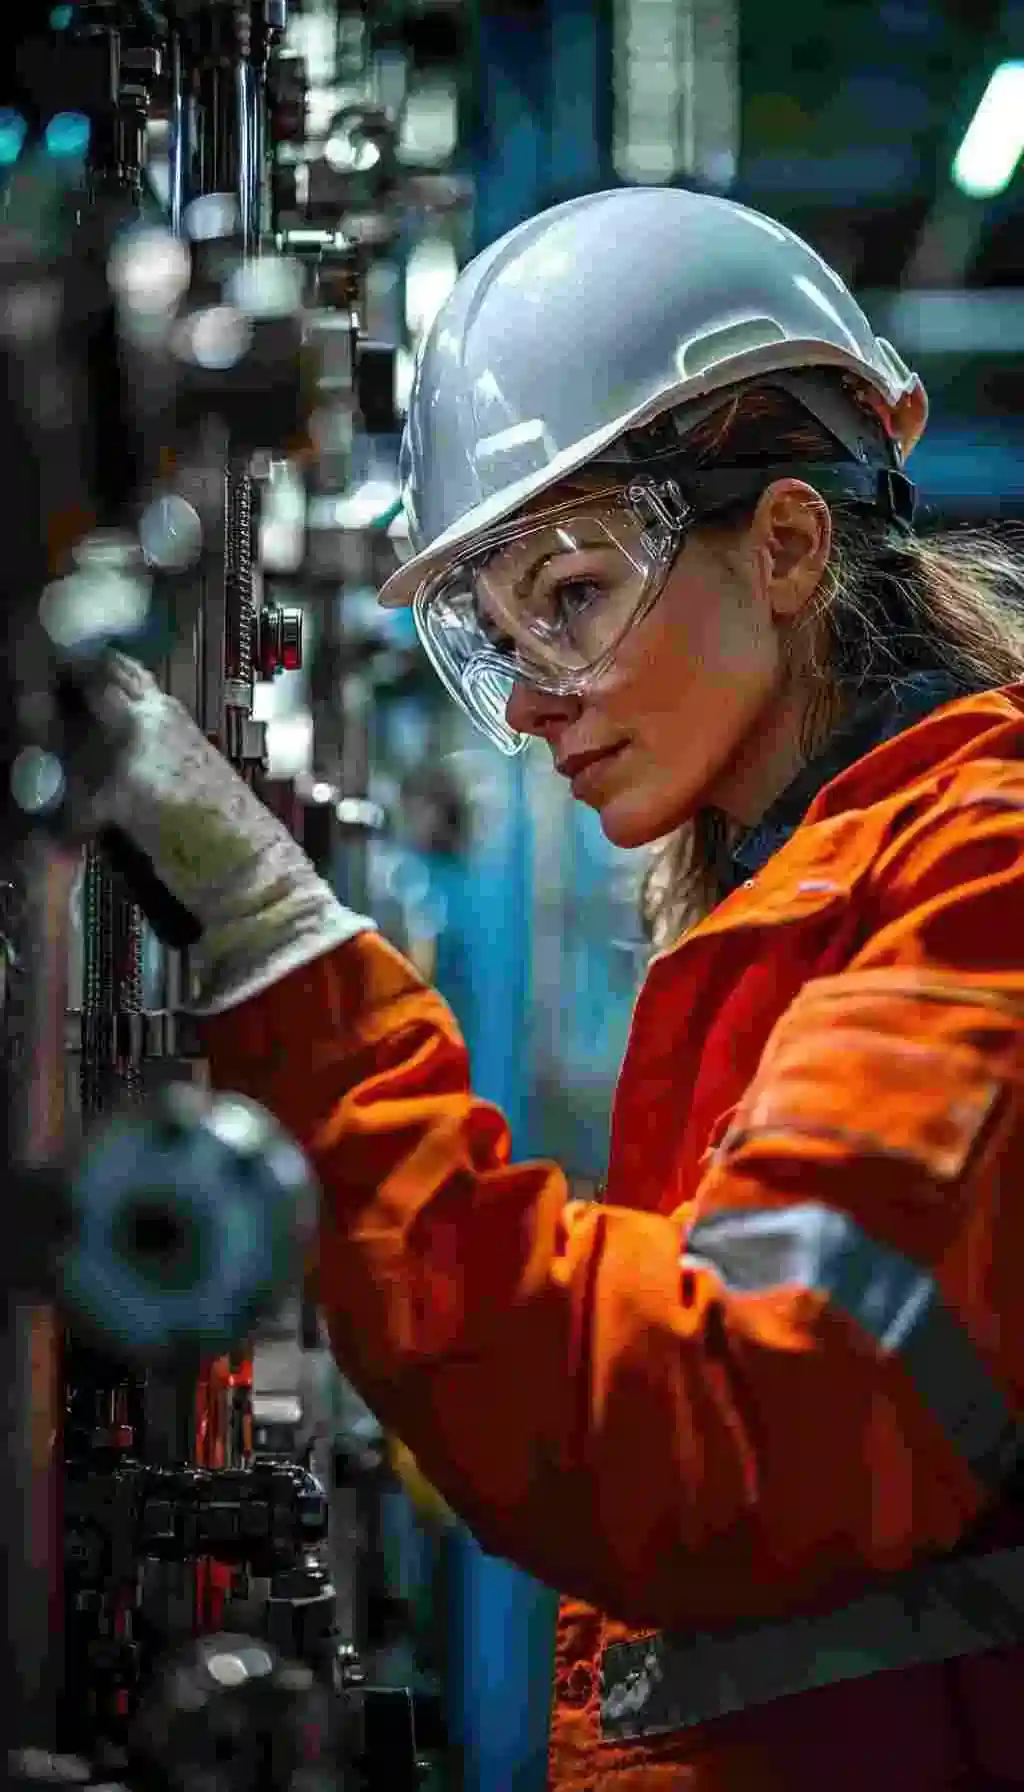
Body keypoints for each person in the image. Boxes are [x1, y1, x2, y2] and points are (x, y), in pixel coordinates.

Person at [91, 186, 1024, 1790]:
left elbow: (710, 1438)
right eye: (495, 633)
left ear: (788, 544)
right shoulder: (793, 900)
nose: (529, 705)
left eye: (573, 600)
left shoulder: (980, 886)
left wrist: (289, 965)